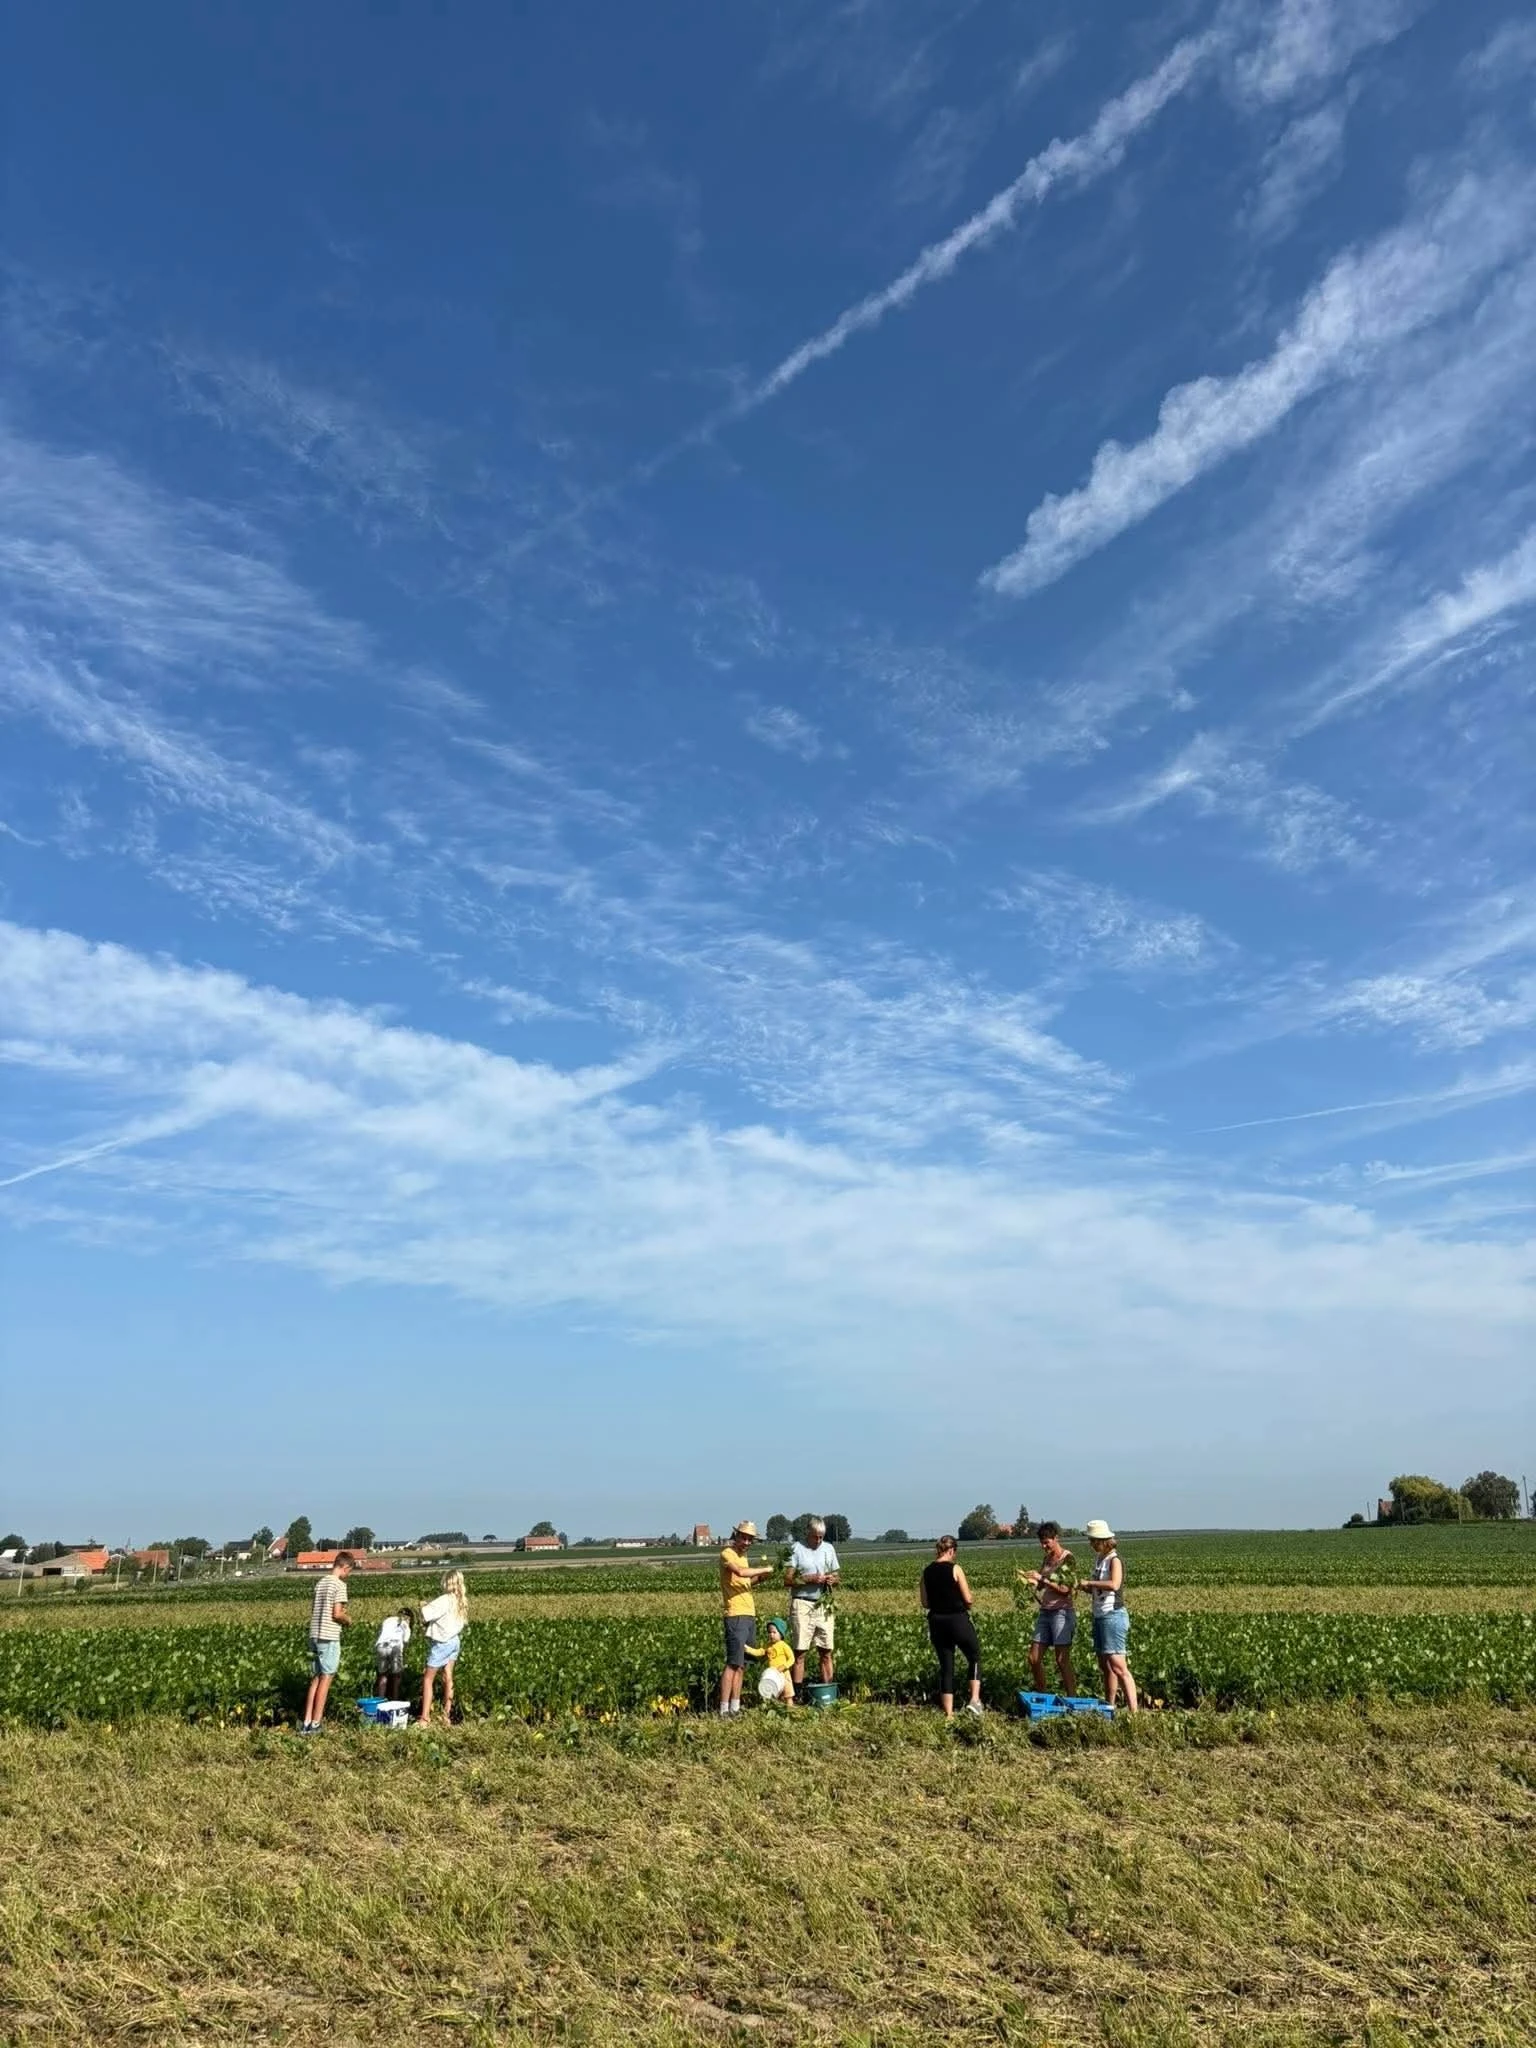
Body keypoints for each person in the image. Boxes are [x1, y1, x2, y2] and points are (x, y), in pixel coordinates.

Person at [919, 1535, 982, 1719]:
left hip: (937, 1622)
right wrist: (966, 1604)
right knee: (974, 1656)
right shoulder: (955, 1569)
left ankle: (948, 1715)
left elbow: (925, 1602)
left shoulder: (926, 1571)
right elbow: (968, 1599)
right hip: (957, 1620)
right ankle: (974, 1701)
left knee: (946, 1667)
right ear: (952, 1550)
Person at [718, 1520, 774, 1717]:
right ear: (736, 1536)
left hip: (749, 1613)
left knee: (742, 1665)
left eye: (750, 1539)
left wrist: (762, 1578)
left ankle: (735, 1706)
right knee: (733, 1663)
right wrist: (764, 1569)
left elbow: (747, 1582)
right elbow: (740, 1573)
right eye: (744, 1537)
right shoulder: (728, 1554)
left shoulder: (744, 1557)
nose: (747, 1542)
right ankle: (723, 1709)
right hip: (735, 1615)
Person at [1020, 1520, 1078, 1698]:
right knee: (1033, 1658)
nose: (1044, 1546)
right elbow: (1040, 1584)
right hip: (1045, 1612)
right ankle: (1042, 1695)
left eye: (1047, 1542)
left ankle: (1072, 1698)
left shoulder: (1067, 1558)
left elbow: (1065, 1589)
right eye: (1042, 1542)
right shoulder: (1046, 1559)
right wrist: (1029, 1581)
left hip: (1061, 1612)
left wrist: (1042, 1580)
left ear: (1056, 1538)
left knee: (1061, 1660)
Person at [1084, 1520, 1138, 1713]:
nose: (1091, 1544)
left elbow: (1114, 1584)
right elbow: (1097, 1589)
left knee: (1118, 1665)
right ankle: (1110, 1706)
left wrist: (1089, 1582)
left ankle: (1134, 1712)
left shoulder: (1115, 1560)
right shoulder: (1099, 1559)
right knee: (1105, 1665)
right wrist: (1082, 1586)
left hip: (1113, 1616)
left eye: (1093, 1540)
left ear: (1103, 1540)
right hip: (1100, 1615)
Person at [301, 1550, 355, 1731]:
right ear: (345, 1567)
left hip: (314, 1634)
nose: (348, 1575)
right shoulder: (339, 1586)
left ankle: (307, 1721)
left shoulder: (321, 1582)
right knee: (327, 1677)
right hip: (329, 1635)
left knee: (315, 1678)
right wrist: (348, 1620)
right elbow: (337, 1613)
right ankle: (317, 1722)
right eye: (349, 1572)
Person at [787, 1514, 840, 1694]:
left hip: (824, 1604)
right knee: (801, 1651)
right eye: (815, 1536)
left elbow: (837, 1576)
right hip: (802, 1603)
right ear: (807, 1533)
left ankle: (827, 1691)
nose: (818, 1540)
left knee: (826, 1650)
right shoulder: (796, 1549)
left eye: (821, 1537)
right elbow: (787, 1580)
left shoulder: (829, 1549)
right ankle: (797, 1693)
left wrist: (832, 1579)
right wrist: (808, 1579)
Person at [419, 1570, 468, 1725]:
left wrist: (423, 1605)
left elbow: (425, 1614)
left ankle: (424, 1718)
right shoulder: (460, 1600)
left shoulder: (444, 1599)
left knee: (428, 1679)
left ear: (447, 1582)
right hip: (454, 1641)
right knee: (448, 1676)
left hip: (442, 1643)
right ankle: (446, 1715)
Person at [745, 1617, 796, 1702]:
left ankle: (790, 1709)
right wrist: (748, 1649)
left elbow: (792, 1659)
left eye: (774, 1632)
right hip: (773, 1674)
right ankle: (779, 1709)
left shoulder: (784, 1646)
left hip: (784, 1673)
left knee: (788, 1694)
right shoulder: (768, 1645)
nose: (771, 1635)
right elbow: (760, 1652)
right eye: (769, 1632)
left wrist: (784, 1666)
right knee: (775, 1691)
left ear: (781, 1634)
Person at [374, 1605, 416, 1702]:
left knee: (383, 1674)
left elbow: (382, 1633)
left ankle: (380, 1700)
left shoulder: (388, 1620)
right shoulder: (406, 1625)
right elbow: (405, 1641)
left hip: (381, 1646)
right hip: (395, 1647)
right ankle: (395, 1699)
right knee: (397, 1676)